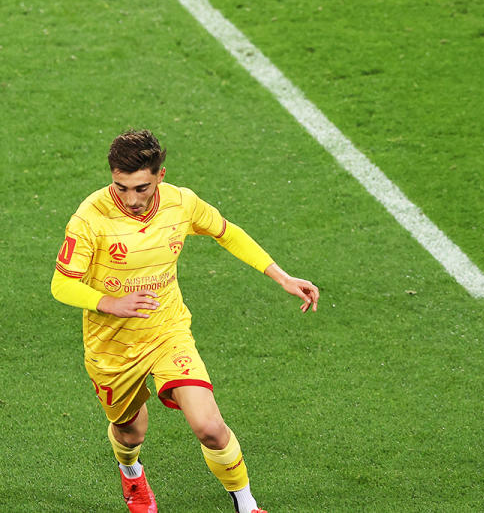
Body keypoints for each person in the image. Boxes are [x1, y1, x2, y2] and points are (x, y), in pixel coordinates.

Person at [51, 130, 319, 513]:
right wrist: (109, 302)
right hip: (112, 346)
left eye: (141, 187)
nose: (131, 199)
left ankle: (247, 504)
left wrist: (281, 275)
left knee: (209, 426)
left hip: (167, 332)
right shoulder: (90, 217)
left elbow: (227, 233)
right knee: (130, 430)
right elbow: (61, 283)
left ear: (160, 176)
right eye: (120, 187)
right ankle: (131, 474)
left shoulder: (182, 203)